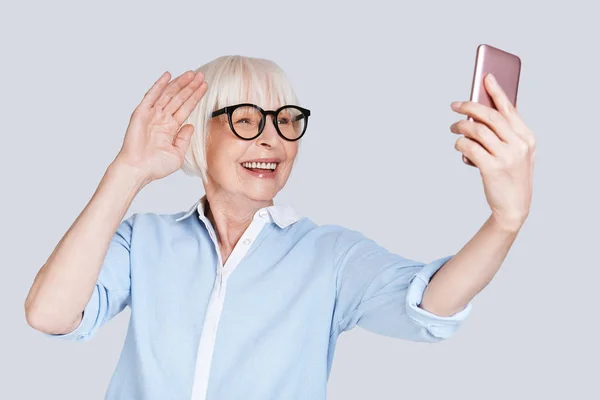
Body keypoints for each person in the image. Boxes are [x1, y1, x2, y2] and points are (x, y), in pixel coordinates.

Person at [24, 55, 535, 399]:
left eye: (286, 119)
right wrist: (127, 172)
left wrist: (505, 221)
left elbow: (429, 304)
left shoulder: (329, 255)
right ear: (198, 134)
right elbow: (50, 314)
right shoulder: (145, 241)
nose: (273, 139)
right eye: (247, 119)